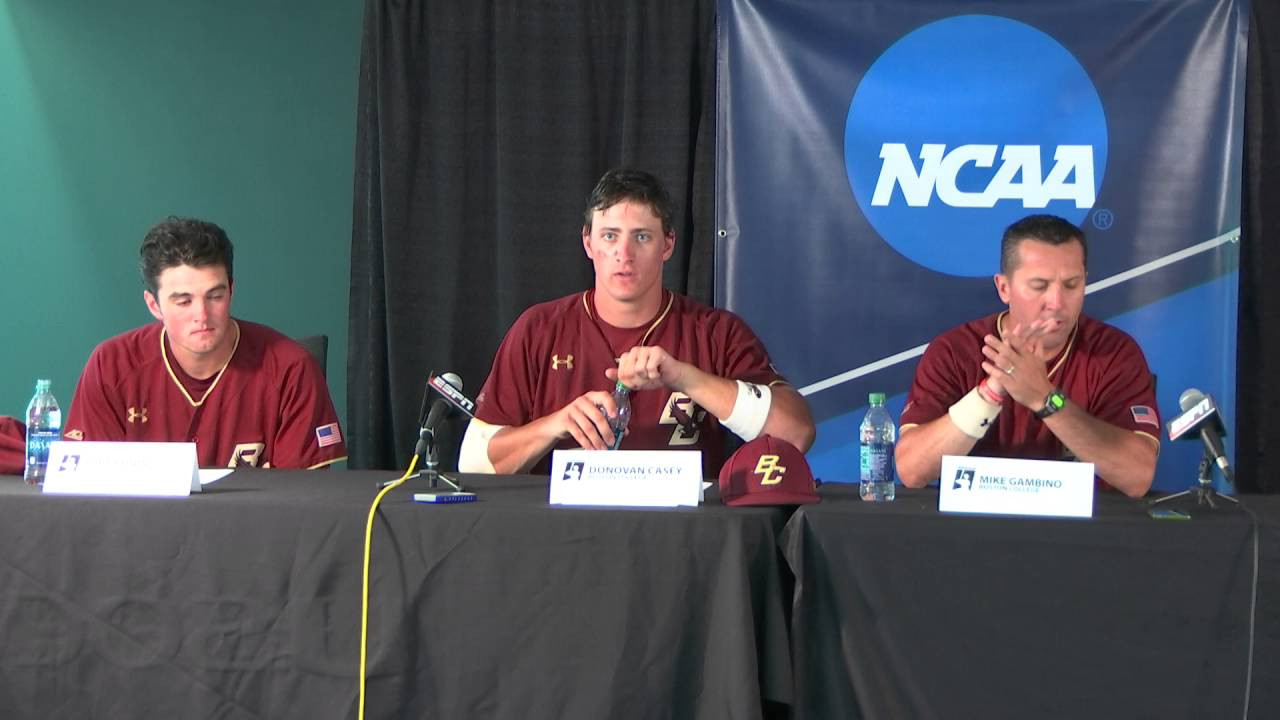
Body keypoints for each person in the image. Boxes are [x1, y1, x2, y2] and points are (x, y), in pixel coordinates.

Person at [459, 168, 815, 476]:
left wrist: (684, 377)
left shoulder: (715, 333)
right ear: (588, 243)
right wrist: (555, 424)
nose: (623, 254)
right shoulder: (539, 328)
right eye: (610, 236)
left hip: (681, 539)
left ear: (668, 244)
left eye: (641, 237)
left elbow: (795, 432)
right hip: (561, 540)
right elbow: (473, 463)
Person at [895, 214, 1159, 497]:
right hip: (976, 531)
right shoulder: (955, 351)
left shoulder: (1114, 352)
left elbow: (1137, 476)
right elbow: (913, 471)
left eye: (1071, 285)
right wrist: (990, 394)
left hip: (1084, 534)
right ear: (1004, 288)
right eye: (1039, 286)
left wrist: (1046, 400)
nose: (1057, 303)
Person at [63, 217, 347, 469]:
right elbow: (92, 492)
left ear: (232, 292)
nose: (202, 315)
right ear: (154, 305)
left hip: (256, 529)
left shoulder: (290, 368)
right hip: (142, 528)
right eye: (183, 301)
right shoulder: (111, 366)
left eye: (215, 296)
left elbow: (305, 504)